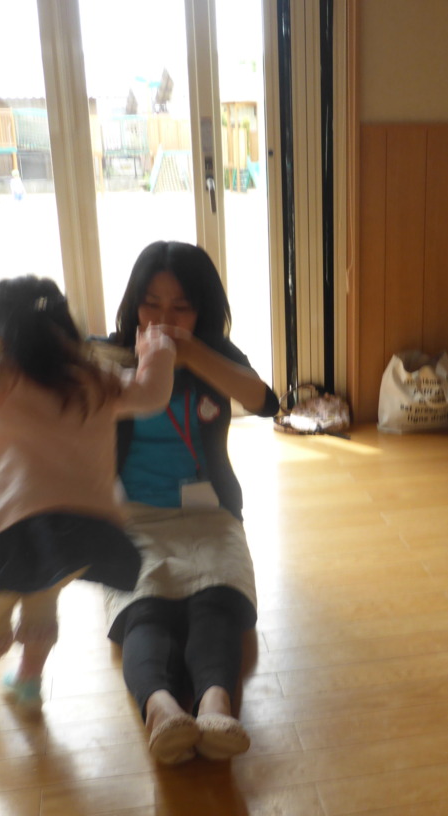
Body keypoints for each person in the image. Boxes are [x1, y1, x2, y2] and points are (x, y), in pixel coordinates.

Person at [0, 275, 175, 710]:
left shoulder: (5, 375)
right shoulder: (97, 376)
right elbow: (151, 394)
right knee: (42, 595)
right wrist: (157, 351)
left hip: (20, 524)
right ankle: (29, 679)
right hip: (88, 528)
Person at [102, 240, 280, 765]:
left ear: (203, 310)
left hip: (211, 514)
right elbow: (44, 377)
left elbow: (265, 402)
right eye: (151, 304)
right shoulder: (110, 355)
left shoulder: (214, 356)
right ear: (133, 304)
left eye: (181, 306)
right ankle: (160, 710)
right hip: (131, 515)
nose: (163, 318)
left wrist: (188, 349)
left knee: (216, 603)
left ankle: (215, 706)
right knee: (144, 611)